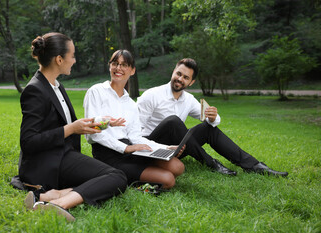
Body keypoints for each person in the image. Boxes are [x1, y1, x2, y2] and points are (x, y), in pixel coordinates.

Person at [19, 32, 127, 222]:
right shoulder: (35, 90)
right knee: (116, 176)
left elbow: (64, 122)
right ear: (59, 59)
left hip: (63, 154)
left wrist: (96, 123)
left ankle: (47, 196)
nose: (74, 60)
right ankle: (57, 205)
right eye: (73, 55)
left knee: (104, 177)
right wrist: (71, 129)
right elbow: (28, 142)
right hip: (47, 162)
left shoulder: (56, 86)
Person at [136, 58, 288, 177]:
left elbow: (212, 121)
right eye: (178, 74)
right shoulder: (152, 95)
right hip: (151, 149)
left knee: (208, 127)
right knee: (173, 121)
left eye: (186, 77)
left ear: (191, 82)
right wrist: (158, 148)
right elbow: (134, 132)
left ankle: (254, 166)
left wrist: (213, 117)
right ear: (173, 71)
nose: (180, 79)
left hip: (177, 149)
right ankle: (212, 164)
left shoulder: (188, 99)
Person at [83, 49, 185, 189]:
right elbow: (92, 135)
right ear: (110, 66)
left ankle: (137, 172)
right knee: (168, 180)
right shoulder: (96, 91)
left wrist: (165, 148)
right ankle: (127, 181)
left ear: (132, 70)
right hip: (107, 154)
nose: (118, 68)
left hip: (131, 150)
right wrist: (126, 148)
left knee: (178, 167)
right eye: (115, 63)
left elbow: (135, 137)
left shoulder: (131, 104)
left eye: (124, 65)